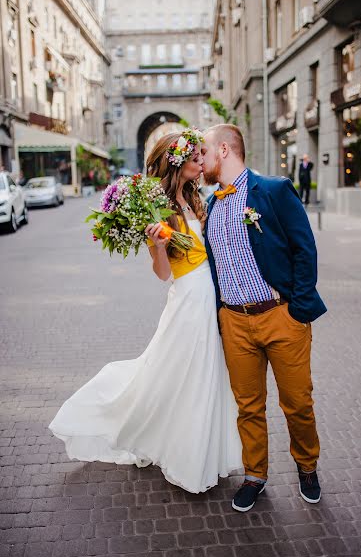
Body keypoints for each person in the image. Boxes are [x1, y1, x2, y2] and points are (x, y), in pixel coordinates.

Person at [49, 130, 242, 494]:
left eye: (203, 155)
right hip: (187, 299)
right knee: (191, 376)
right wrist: (156, 246)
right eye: (196, 155)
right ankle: (188, 458)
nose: (202, 161)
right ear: (177, 160)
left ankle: (207, 452)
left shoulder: (195, 198)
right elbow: (162, 274)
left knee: (209, 374)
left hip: (211, 296)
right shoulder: (159, 207)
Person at [201, 124, 327, 512]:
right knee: (248, 406)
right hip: (234, 323)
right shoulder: (212, 204)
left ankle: (307, 465)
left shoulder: (272, 190)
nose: (199, 159)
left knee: (298, 403)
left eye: (203, 151)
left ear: (223, 150)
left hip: (279, 316)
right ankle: (255, 475)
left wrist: (298, 309)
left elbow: (304, 248)